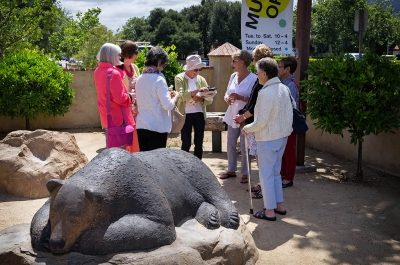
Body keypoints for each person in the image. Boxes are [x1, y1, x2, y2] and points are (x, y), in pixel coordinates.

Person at [242, 57, 293, 221]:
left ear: (264, 74)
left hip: (268, 138)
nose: (257, 76)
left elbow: (261, 122)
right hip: (282, 137)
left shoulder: (264, 93)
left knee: (266, 175)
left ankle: (269, 211)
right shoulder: (284, 88)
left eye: (257, 73)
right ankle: (279, 206)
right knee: (275, 173)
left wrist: (247, 128)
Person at [233, 44, 273, 197]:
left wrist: (243, 116)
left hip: (260, 125)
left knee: (263, 160)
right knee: (261, 159)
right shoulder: (263, 79)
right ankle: (262, 185)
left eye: (254, 59)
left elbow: (256, 104)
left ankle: (265, 190)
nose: (253, 62)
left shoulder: (263, 80)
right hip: (260, 123)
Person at [220, 50, 257, 183]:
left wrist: (240, 97)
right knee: (230, 143)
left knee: (244, 145)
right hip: (231, 115)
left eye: (234, 61)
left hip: (245, 117)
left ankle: (246, 173)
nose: (232, 64)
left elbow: (255, 100)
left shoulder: (254, 79)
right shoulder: (233, 76)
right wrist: (227, 99)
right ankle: (231, 170)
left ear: (242, 63)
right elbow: (226, 93)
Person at [135, 46, 180, 151]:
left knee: (145, 162)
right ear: (159, 62)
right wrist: (176, 97)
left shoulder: (140, 79)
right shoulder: (159, 79)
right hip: (157, 128)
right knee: (157, 165)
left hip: (141, 126)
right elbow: (168, 105)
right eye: (163, 64)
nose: (163, 67)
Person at [94, 43, 135, 147]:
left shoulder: (98, 71)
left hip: (106, 114)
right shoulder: (114, 73)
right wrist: (131, 96)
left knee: (111, 146)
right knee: (119, 150)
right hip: (117, 116)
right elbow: (120, 98)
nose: (119, 57)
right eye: (118, 55)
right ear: (112, 56)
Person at [175, 55, 212, 159]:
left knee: (199, 142)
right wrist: (197, 92)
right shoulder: (179, 78)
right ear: (189, 69)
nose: (198, 72)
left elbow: (210, 99)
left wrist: (202, 99)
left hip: (200, 113)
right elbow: (181, 95)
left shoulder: (201, 79)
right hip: (185, 114)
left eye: (200, 69)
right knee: (186, 142)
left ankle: (198, 166)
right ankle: (184, 165)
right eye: (196, 69)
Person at [278, 57, 299, 188]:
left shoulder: (290, 85)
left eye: (280, 67)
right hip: (284, 123)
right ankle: (283, 174)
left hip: (289, 123)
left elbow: (289, 107)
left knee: (289, 151)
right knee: (283, 150)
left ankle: (289, 178)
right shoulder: (284, 83)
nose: (278, 69)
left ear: (288, 69)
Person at [118, 40, 141, 153]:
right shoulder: (117, 68)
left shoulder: (135, 67)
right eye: (136, 52)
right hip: (123, 110)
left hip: (136, 110)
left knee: (136, 140)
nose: (137, 54)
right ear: (128, 53)